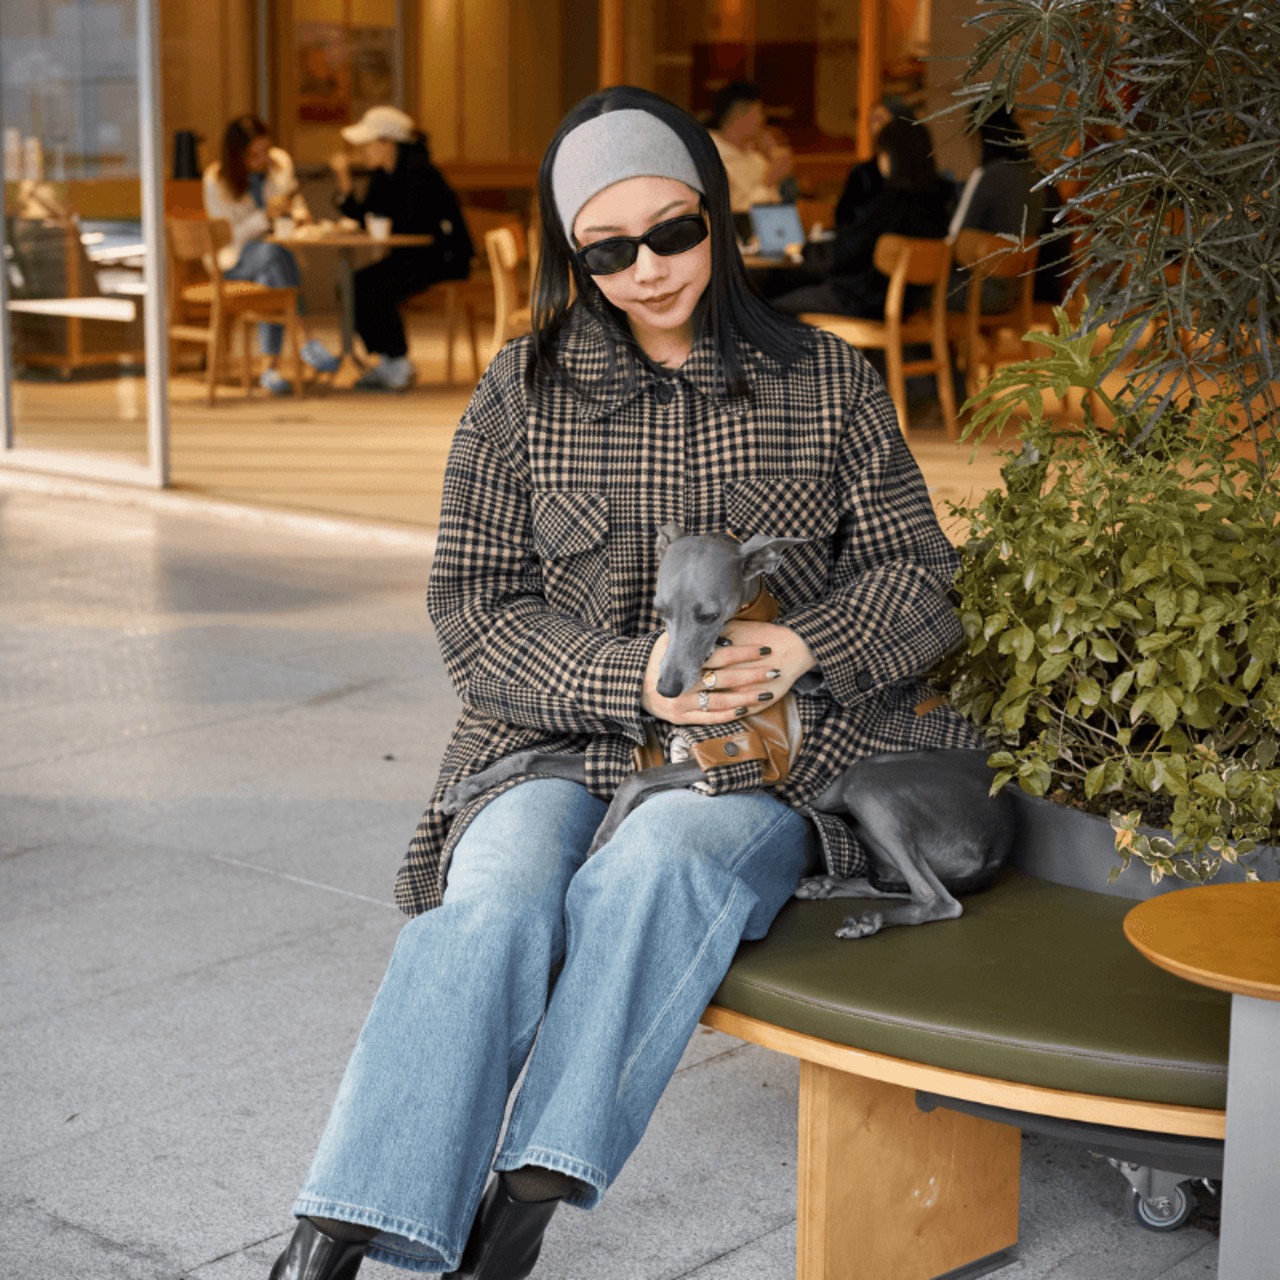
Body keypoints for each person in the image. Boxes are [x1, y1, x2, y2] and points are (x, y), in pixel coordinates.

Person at [265, 85, 983, 1280]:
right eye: (607, 249)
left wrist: (806, 643)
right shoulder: (517, 393)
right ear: (573, 254)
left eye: (672, 232)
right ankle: (329, 1234)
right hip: (553, 745)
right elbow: (470, 612)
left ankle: (518, 1211)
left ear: (713, 216)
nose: (646, 269)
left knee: (657, 868)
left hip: (757, 763)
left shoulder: (826, 381)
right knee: (494, 902)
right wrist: (626, 676)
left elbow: (922, 574)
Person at [329, 105, 473, 391]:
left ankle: (399, 362)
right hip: (411, 256)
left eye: (368, 144)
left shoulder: (420, 171)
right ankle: (387, 360)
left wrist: (382, 223)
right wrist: (344, 181)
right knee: (352, 284)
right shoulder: (383, 175)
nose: (362, 151)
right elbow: (364, 215)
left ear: (388, 143)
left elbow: (415, 223)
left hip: (443, 258)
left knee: (378, 288)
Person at [202, 114, 340, 394]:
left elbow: (295, 201)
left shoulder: (280, 163)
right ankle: (305, 338)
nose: (264, 159)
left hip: (273, 257)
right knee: (273, 254)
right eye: (255, 154)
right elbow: (229, 236)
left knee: (271, 270)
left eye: (266, 150)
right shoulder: (215, 180)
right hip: (234, 260)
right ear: (236, 155)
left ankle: (271, 369)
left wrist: (299, 215)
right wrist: (265, 216)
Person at [771, 117, 956, 319]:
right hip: (910, 307)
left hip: (863, 303)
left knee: (771, 309)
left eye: (881, 153)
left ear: (891, 156)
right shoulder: (942, 201)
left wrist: (806, 249)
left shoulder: (891, 203)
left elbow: (846, 252)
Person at [948, 107, 1047, 313]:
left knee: (915, 287)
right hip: (1019, 290)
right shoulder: (1034, 175)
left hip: (986, 291)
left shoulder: (991, 175)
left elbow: (958, 238)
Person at [706, 80, 795, 225]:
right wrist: (768, 182)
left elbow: (774, 214)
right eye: (759, 112)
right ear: (739, 113)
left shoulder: (756, 160)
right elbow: (731, 218)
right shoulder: (710, 158)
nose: (762, 120)